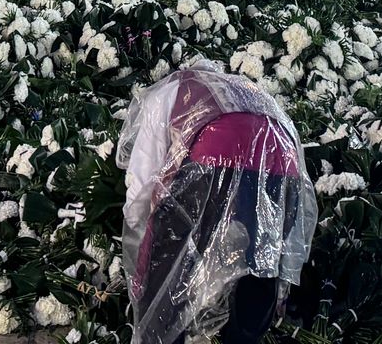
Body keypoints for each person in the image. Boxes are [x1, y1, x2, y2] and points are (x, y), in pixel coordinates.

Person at [116, 58, 316, 344]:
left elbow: (143, 179)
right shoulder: (246, 90)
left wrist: (141, 246)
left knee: (168, 266)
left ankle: (160, 336)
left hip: (216, 156)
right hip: (283, 166)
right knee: (261, 262)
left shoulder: (168, 92)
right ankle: (244, 334)